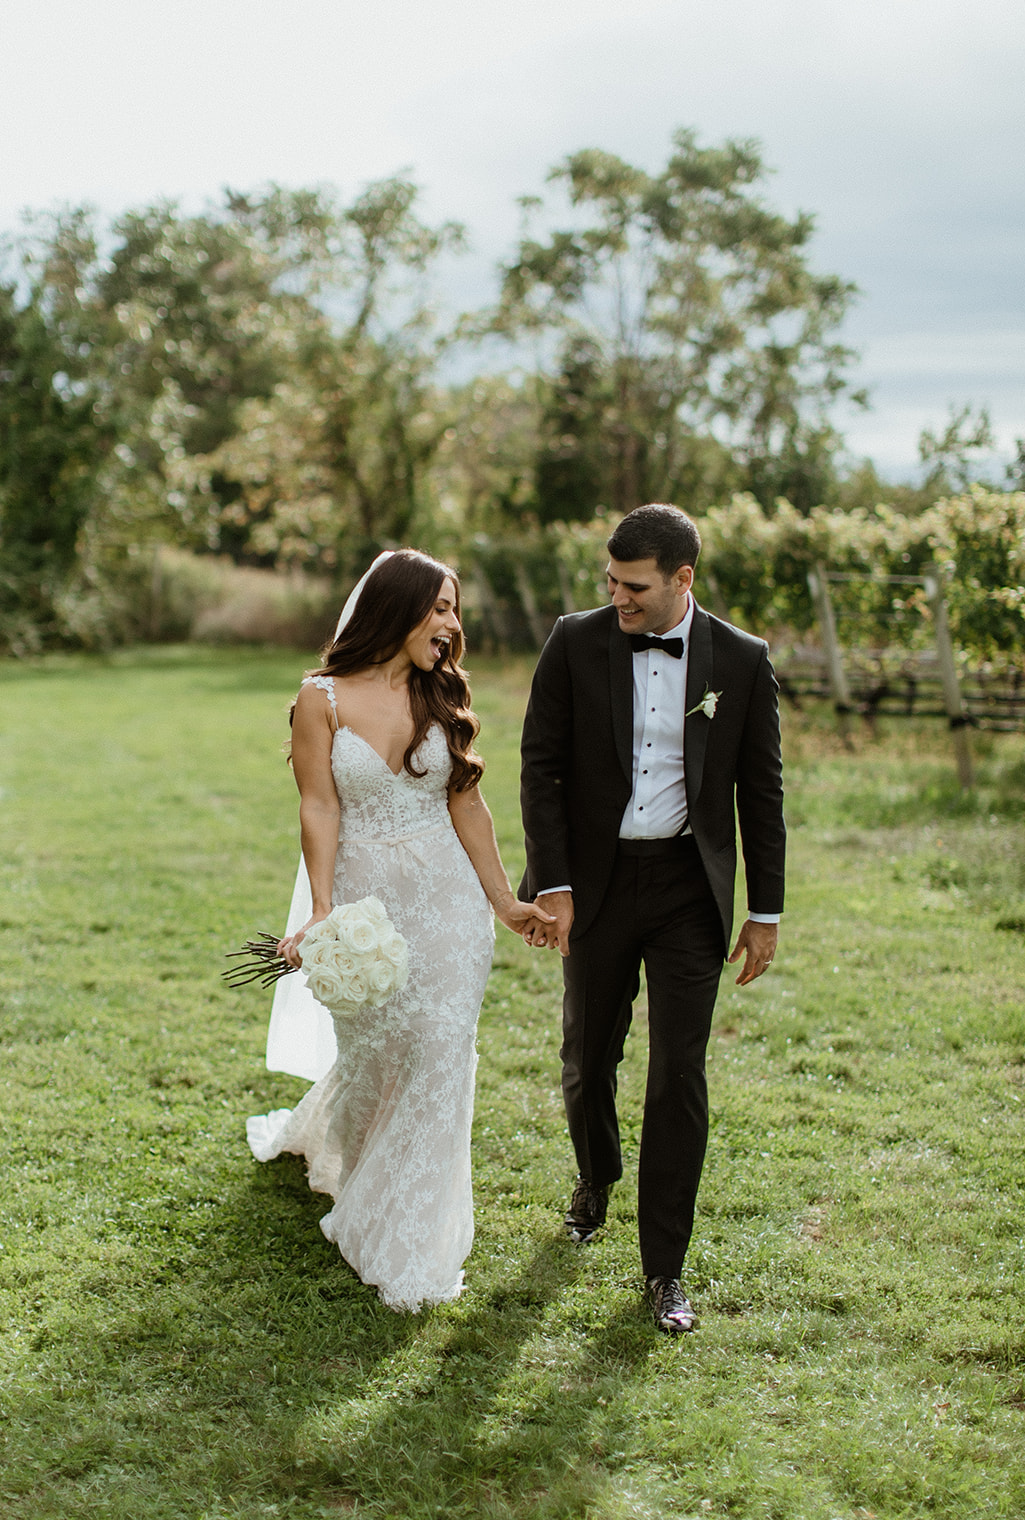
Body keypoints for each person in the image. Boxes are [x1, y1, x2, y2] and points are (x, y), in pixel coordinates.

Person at [247, 550, 550, 1312]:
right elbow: (319, 806)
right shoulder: (321, 697)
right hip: (364, 903)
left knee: (442, 1048)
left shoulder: (442, 694)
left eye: (454, 609)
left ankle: (409, 1234)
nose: (452, 625)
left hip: (447, 900)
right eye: (440, 607)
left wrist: (503, 902)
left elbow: (466, 805)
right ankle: (355, 1161)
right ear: (396, 607)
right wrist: (322, 912)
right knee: (379, 1048)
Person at [518, 504, 785, 1333]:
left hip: (686, 890)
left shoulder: (741, 661)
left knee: (678, 1073)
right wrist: (551, 884)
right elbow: (540, 768)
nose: (618, 598)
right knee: (587, 1050)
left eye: (634, 586)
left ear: (683, 580)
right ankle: (594, 1177)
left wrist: (764, 910)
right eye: (611, 582)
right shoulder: (574, 640)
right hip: (593, 886)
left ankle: (664, 1270)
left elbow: (761, 789)